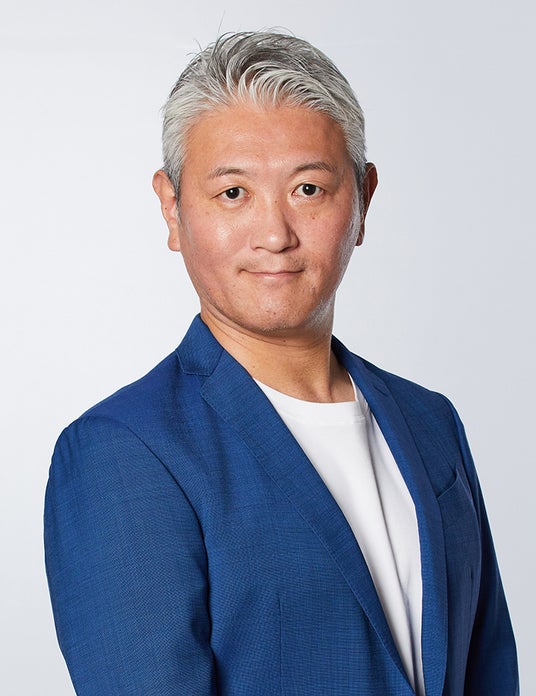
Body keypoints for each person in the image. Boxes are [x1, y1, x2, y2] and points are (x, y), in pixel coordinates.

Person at [44, 31, 518, 695]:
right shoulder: (123, 453)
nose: (274, 234)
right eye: (233, 193)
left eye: (308, 188)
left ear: (363, 199)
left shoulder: (431, 423)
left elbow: (489, 668)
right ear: (172, 208)